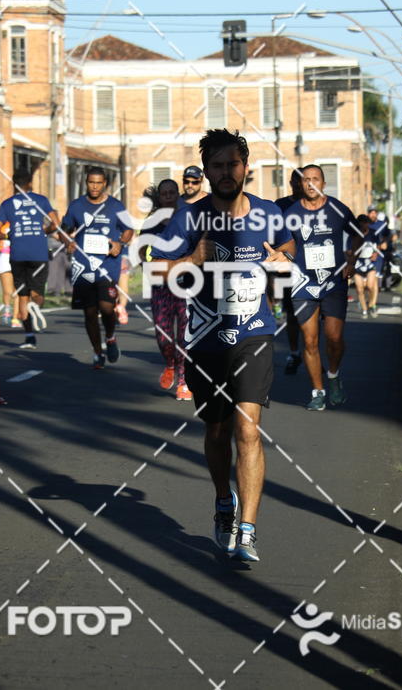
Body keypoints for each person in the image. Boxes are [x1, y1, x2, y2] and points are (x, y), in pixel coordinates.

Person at [150, 129, 294, 563]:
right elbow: (156, 272)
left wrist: (282, 259)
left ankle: (248, 531)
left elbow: (287, 247)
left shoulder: (268, 212)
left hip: (253, 332)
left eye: (233, 164)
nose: (226, 172)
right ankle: (222, 500)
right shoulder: (188, 218)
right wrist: (192, 261)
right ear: (207, 170)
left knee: (248, 429)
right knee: (216, 430)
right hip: (205, 335)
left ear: (246, 167)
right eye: (217, 166)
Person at [284, 165, 362, 411]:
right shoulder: (291, 213)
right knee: (310, 341)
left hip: (333, 282)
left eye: (315, 179)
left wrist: (352, 260)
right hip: (303, 284)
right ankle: (317, 392)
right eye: (306, 180)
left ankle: (334, 375)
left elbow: (358, 234)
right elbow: (284, 244)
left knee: (334, 338)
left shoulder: (337, 209)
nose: (310, 184)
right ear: (301, 184)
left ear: (323, 183)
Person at [61, 166, 133, 368]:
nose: (94, 186)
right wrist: (67, 242)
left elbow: (129, 230)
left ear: (105, 184)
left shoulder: (116, 206)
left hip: (107, 265)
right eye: (91, 182)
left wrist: (120, 243)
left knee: (107, 308)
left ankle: (110, 336)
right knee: (90, 312)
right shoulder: (76, 206)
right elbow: (64, 229)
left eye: (98, 183)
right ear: (86, 183)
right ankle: (97, 352)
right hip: (83, 267)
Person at [0, 170, 59, 350]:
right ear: (30, 184)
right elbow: (56, 223)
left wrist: (9, 235)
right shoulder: (41, 200)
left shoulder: (7, 204)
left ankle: (29, 337)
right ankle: (35, 307)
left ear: (13, 184)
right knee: (37, 292)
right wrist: (44, 232)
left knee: (22, 294)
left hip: (17, 255)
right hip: (38, 253)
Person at [142, 179, 191, 401]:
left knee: (184, 334)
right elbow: (142, 249)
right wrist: (147, 264)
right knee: (163, 335)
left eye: (172, 192)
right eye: (164, 193)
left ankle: (183, 380)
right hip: (160, 285)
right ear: (159, 198)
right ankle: (170, 363)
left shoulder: (187, 219)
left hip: (186, 285)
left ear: (178, 195)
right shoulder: (152, 222)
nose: (169, 196)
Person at [276, 170, 304, 374]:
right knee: (292, 314)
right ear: (291, 182)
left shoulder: (316, 206)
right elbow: (272, 233)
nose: (299, 184)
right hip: (289, 268)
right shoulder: (281, 205)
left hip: (312, 268)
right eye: (296, 181)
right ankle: (294, 352)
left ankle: (312, 351)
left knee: (313, 314)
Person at [351, 214, 379, 318]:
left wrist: (375, 254)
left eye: (366, 223)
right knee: (359, 289)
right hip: (358, 264)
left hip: (370, 263)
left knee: (370, 286)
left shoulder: (373, 234)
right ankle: (364, 309)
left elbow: (377, 248)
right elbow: (350, 248)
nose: (364, 225)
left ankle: (372, 304)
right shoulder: (354, 234)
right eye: (361, 223)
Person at [0, 223, 21, 327]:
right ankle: (7, 311)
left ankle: (15, 318)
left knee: (18, 291)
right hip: (5, 259)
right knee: (7, 291)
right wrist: (3, 247)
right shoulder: (2, 226)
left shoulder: (21, 224)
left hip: (18, 259)